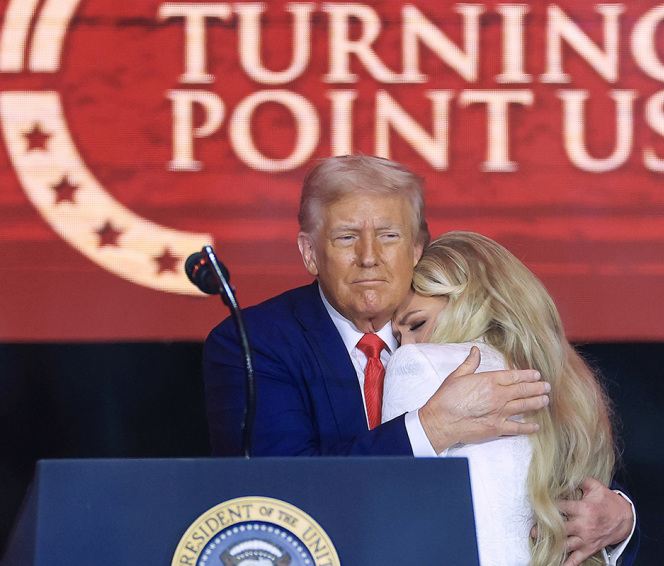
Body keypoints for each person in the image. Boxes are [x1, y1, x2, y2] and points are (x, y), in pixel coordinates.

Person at [203, 155, 636, 564]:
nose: (369, 256)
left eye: (389, 235)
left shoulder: (454, 323)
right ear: (310, 253)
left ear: (416, 247)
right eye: (347, 237)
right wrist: (429, 428)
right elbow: (275, 492)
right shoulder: (254, 342)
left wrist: (619, 517)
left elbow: (539, 454)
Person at [384, 231, 629, 566]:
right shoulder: (572, 383)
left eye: (417, 324)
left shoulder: (418, 366)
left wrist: (622, 518)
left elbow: (385, 514)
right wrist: (624, 515)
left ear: (470, 304)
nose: (406, 347)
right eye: (397, 338)